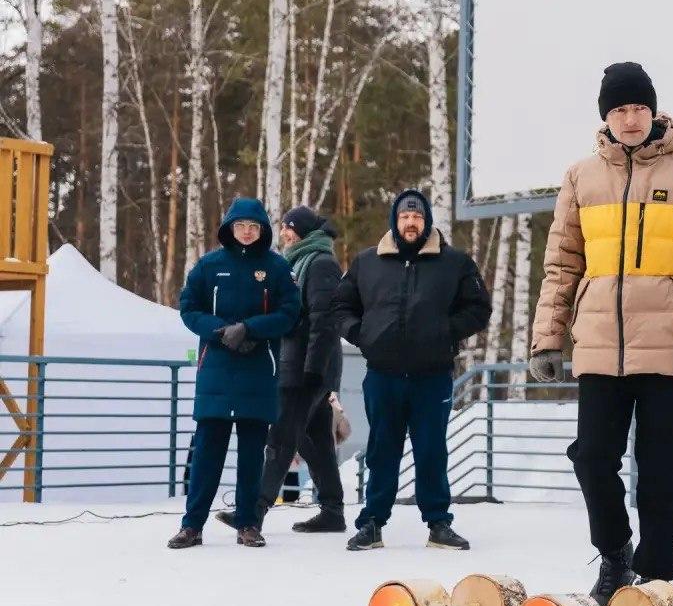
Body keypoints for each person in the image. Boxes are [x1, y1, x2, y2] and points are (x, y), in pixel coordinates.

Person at [529, 61, 673, 606]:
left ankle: (656, 579)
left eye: (638, 107)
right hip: (599, 346)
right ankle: (616, 556)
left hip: (671, 350)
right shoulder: (581, 177)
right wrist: (547, 337)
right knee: (592, 456)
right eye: (619, 109)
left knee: (663, 473)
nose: (630, 118)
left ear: (653, 111)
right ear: (606, 116)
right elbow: (562, 265)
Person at [333, 190, 491, 552]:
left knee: (431, 450)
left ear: (426, 221)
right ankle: (372, 523)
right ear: (395, 220)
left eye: (417, 217)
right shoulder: (367, 262)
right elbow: (340, 305)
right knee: (381, 450)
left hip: (431, 376)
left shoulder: (454, 263)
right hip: (383, 375)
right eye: (404, 216)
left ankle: (438, 523)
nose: (410, 223)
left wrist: (445, 332)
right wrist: (362, 335)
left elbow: (478, 308)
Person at [168, 197, 301, 549]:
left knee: (252, 454)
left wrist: (251, 329)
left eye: (253, 227)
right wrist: (219, 331)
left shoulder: (275, 268)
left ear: (262, 231)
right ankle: (191, 525)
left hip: (258, 369)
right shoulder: (209, 266)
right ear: (229, 228)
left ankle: (248, 524)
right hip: (217, 368)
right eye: (241, 225)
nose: (246, 232)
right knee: (207, 452)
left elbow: (291, 311)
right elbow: (188, 306)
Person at [215, 206, 345, 533]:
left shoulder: (321, 264)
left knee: (281, 435)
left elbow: (324, 321)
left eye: (288, 228)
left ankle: (253, 512)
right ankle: (333, 511)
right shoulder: (300, 262)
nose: (284, 234)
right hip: (300, 364)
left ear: (301, 230)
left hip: (306, 368)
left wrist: (314, 369)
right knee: (313, 441)